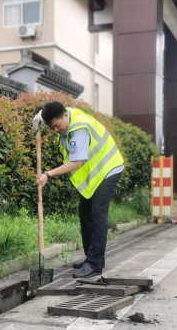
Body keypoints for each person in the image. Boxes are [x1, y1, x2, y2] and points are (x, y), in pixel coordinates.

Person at [32, 101, 124, 278]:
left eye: (57, 126)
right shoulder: (64, 115)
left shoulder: (79, 129)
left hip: (108, 168)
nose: (56, 130)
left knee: (98, 214)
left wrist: (47, 175)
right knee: (85, 212)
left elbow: (76, 163)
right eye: (51, 128)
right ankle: (91, 257)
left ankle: (95, 264)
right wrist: (39, 115)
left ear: (65, 116)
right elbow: (49, 109)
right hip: (96, 173)